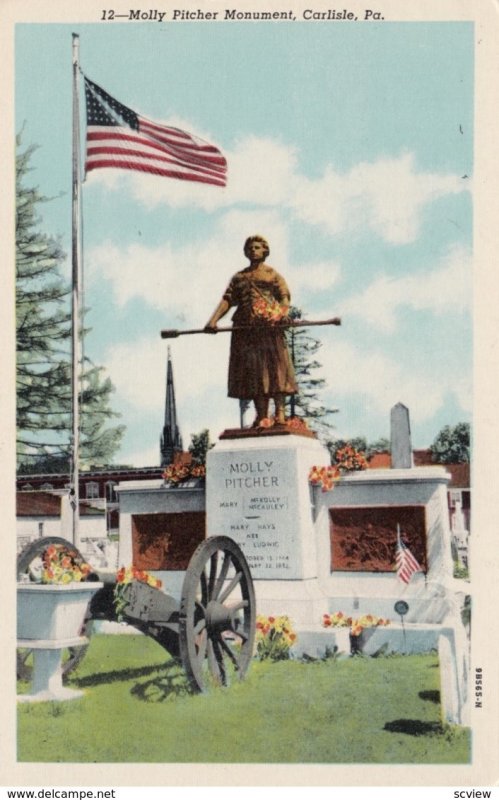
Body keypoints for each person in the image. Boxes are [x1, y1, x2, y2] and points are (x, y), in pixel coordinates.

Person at [205, 235, 297, 427]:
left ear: (265, 251)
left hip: (269, 329)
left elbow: (284, 297)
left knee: (275, 370)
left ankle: (280, 413)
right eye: (250, 248)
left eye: (257, 247)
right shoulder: (239, 278)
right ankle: (261, 414)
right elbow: (228, 300)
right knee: (254, 374)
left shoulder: (273, 274)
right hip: (246, 331)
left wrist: (280, 314)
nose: (253, 250)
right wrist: (213, 320)